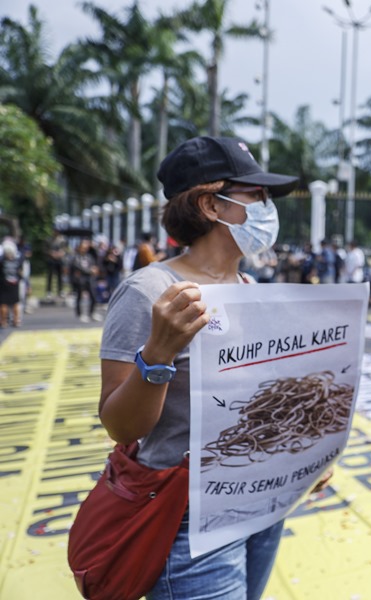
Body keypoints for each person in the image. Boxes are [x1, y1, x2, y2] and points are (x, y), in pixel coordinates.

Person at [96, 136, 326, 599]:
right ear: (210, 204)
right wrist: (157, 356)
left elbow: (263, 402)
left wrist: (306, 453)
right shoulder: (151, 291)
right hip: (187, 518)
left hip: (262, 503)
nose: (267, 207)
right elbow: (120, 426)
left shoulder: (251, 286)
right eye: (255, 194)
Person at [69, 238, 100, 323]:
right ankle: (80, 314)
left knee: (93, 296)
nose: (84, 249)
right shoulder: (76, 257)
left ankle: (92, 313)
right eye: (83, 247)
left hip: (89, 279)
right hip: (80, 280)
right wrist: (90, 271)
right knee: (79, 297)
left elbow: (94, 263)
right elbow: (78, 267)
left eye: (86, 247)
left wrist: (94, 269)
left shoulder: (89, 256)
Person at [0, 238, 23, 327]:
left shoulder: (2, 262)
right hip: (14, 283)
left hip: (4, 283)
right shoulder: (17, 261)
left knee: (3, 303)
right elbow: (20, 272)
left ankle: (4, 321)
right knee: (15, 302)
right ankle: (16, 320)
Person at [46, 228, 67, 298]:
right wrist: (51, 253)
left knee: (60, 276)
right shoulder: (49, 240)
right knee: (50, 276)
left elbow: (65, 249)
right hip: (51, 259)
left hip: (60, 259)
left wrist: (60, 254)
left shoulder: (62, 240)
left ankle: (60, 290)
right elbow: (45, 249)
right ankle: (49, 291)